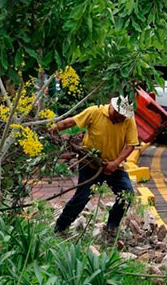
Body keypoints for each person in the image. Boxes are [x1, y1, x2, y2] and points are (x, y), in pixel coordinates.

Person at [50, 96, 138, 234]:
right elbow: (70, 123)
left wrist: (115, 163)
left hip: (113, 167)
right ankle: (60, 227)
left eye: (123, 116)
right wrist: (51, 129)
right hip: (90, 164)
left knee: (127, 194)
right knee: (81, 198)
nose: (121, 118)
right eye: (118, 114)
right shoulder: (94, 112)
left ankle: (112, 227)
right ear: (111, 106)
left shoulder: (129, 120)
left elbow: (130, 145)